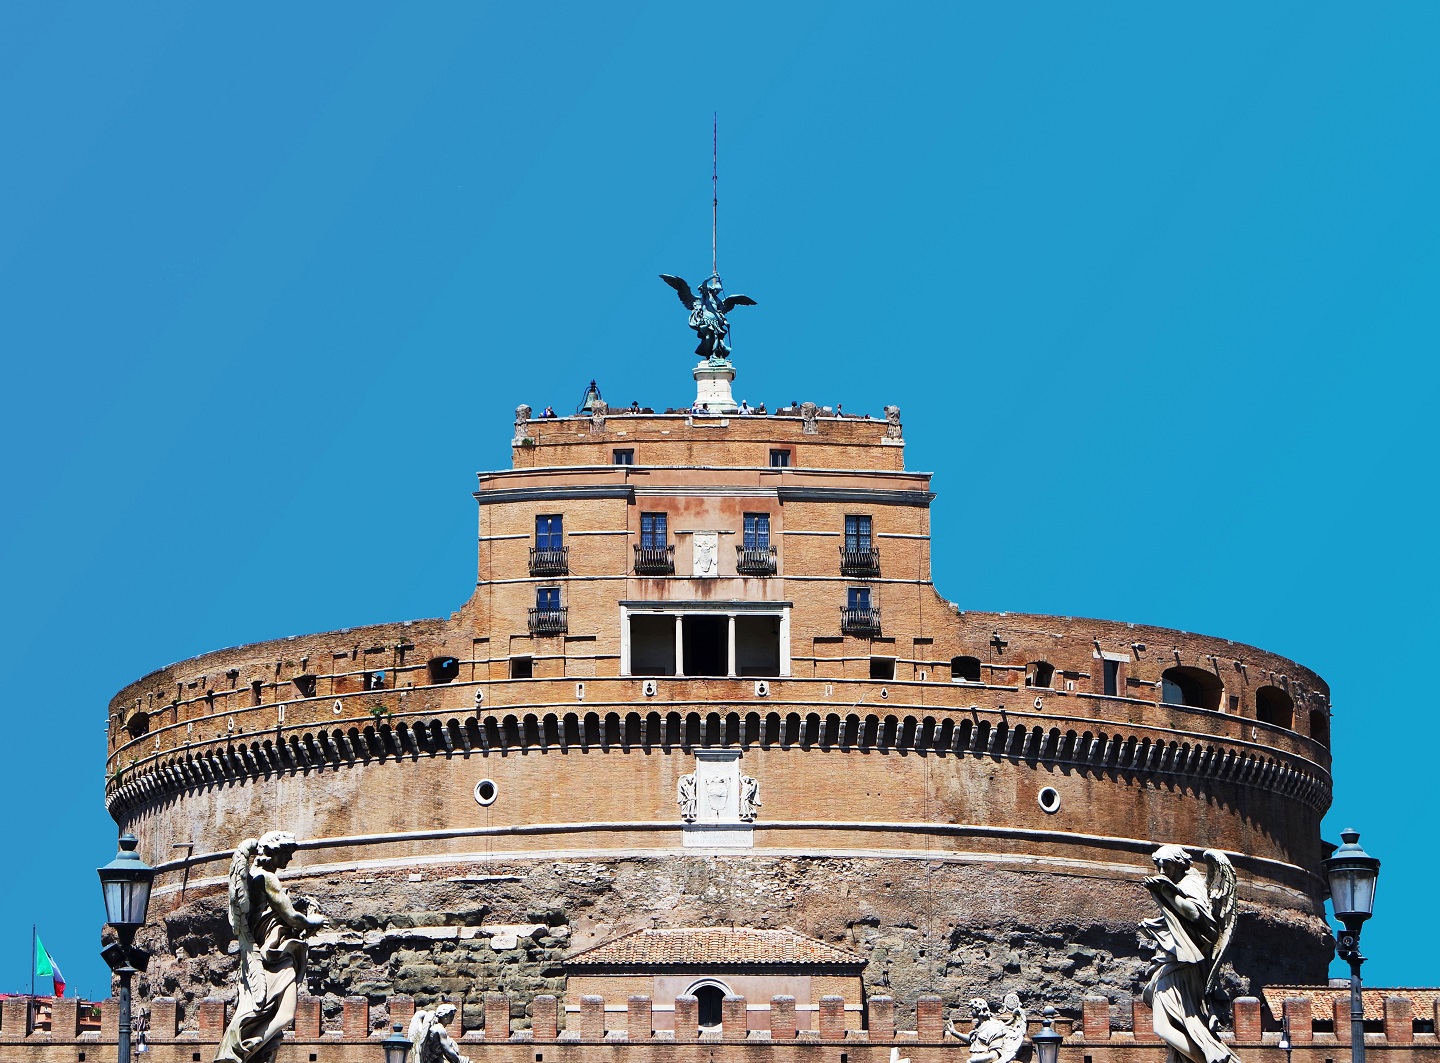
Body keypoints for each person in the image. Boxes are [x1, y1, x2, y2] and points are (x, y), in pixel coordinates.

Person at [215, 832, 325, 1063]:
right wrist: (316, 920)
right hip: (275, 957)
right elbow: (292, 918)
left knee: (268, 1014)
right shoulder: (267, 879)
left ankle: (252, 1048)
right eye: (287, 854)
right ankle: (242, 1050)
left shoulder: (252, 878)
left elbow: (271, 914)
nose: (289, 860)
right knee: (285, 1015)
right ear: (275, 853)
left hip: (261, 957)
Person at [1139, 846, 1238, 1063]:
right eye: (1158, 866)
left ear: (1180, 864)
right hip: (1173, 961)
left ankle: (1210, 1060)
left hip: (1184, 965)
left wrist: (1167, 892)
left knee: (1163, 1026)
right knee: (1177, 1025)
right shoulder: (1177, 884)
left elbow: (1200, 919)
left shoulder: (1191, 883)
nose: (1162, 871)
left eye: (1167, 866)